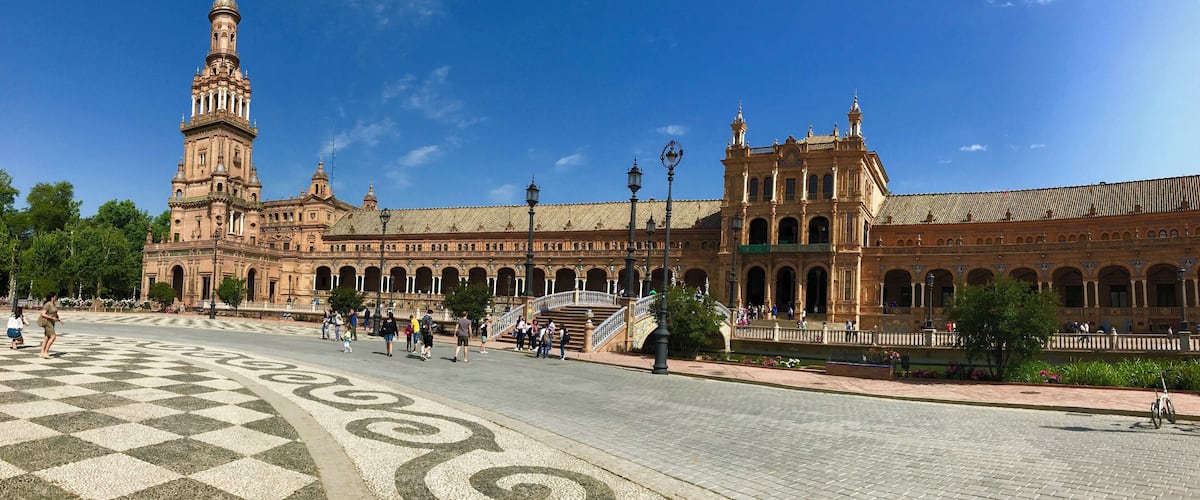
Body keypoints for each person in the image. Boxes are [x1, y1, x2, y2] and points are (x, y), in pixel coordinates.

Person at [38, 293, 62, 359]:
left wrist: (59, 319)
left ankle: (42, 353)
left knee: (47, 337)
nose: (56, 298)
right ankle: (46, 352)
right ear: (52, 297)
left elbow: (55, 313)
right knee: (53, 337)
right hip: (47, 322)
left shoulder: (53, 304)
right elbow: (43, 314)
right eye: (55, 297)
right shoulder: (48, 304)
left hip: (51, 322)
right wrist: (51, 318)